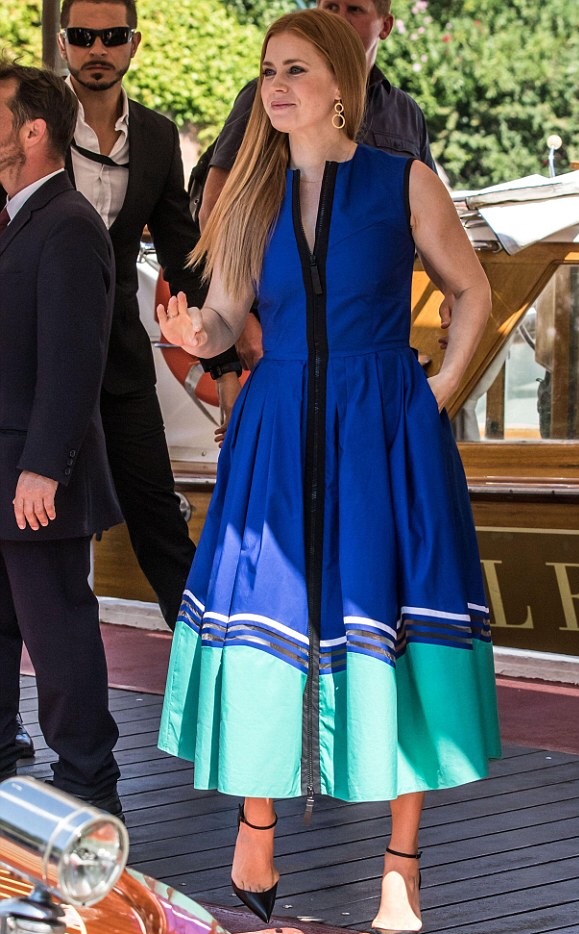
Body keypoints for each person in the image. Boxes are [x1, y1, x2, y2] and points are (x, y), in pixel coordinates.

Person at [157, 9, 500, 934]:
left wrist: (439, 392)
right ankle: (256, 828)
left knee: (394, 618)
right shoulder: (249, 192)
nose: (275, 86)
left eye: (295, 69)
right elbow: (226, 314)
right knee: (266, 611)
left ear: (340, 85)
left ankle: (400, 870)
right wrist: (196, 331)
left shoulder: (404, 178)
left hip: (383, 423)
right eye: (268, 69)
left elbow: (471, 291)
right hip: (276, 421)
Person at [56, 0, 242, 628]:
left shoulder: (159, 137)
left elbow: (183, 257)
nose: (97, 49)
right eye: (83, 36)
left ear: (133, 44)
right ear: (64, 43)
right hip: (35, 362)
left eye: (112, 36)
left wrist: (225, 366)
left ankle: (207, 655)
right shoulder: (31, 121)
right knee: (33, 531)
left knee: (159, 521)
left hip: (121, 360)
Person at [198, 0, 441, 390]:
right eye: (330, 5)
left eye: (354, 9)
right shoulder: (263, 101)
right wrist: (240, 321)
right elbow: (217, 209)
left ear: (385, 25)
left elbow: (429, 226)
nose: (337, 17)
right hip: (278, 350)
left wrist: (448, 292)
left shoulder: (406, 112)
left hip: (373, 367)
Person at [0, 60, 124, 817]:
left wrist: (43, 466)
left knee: (59, 636)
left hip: (36, 477)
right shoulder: (15, 219)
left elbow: (75, 361)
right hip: (3, 472)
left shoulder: (71, 225)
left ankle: (88, 785)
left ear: (32, 131)